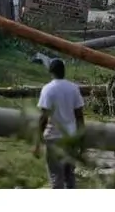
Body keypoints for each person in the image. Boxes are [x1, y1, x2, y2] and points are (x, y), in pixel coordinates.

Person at [35, 59, 85, 189]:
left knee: (56, 176)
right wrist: (82, 139)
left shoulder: (47, 89)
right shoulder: (73, 88)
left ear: (50, 72)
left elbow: (43, 117)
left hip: (53, 138)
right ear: (64, 71)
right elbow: (79, 116)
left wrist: (38, 140)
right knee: (69, 175)